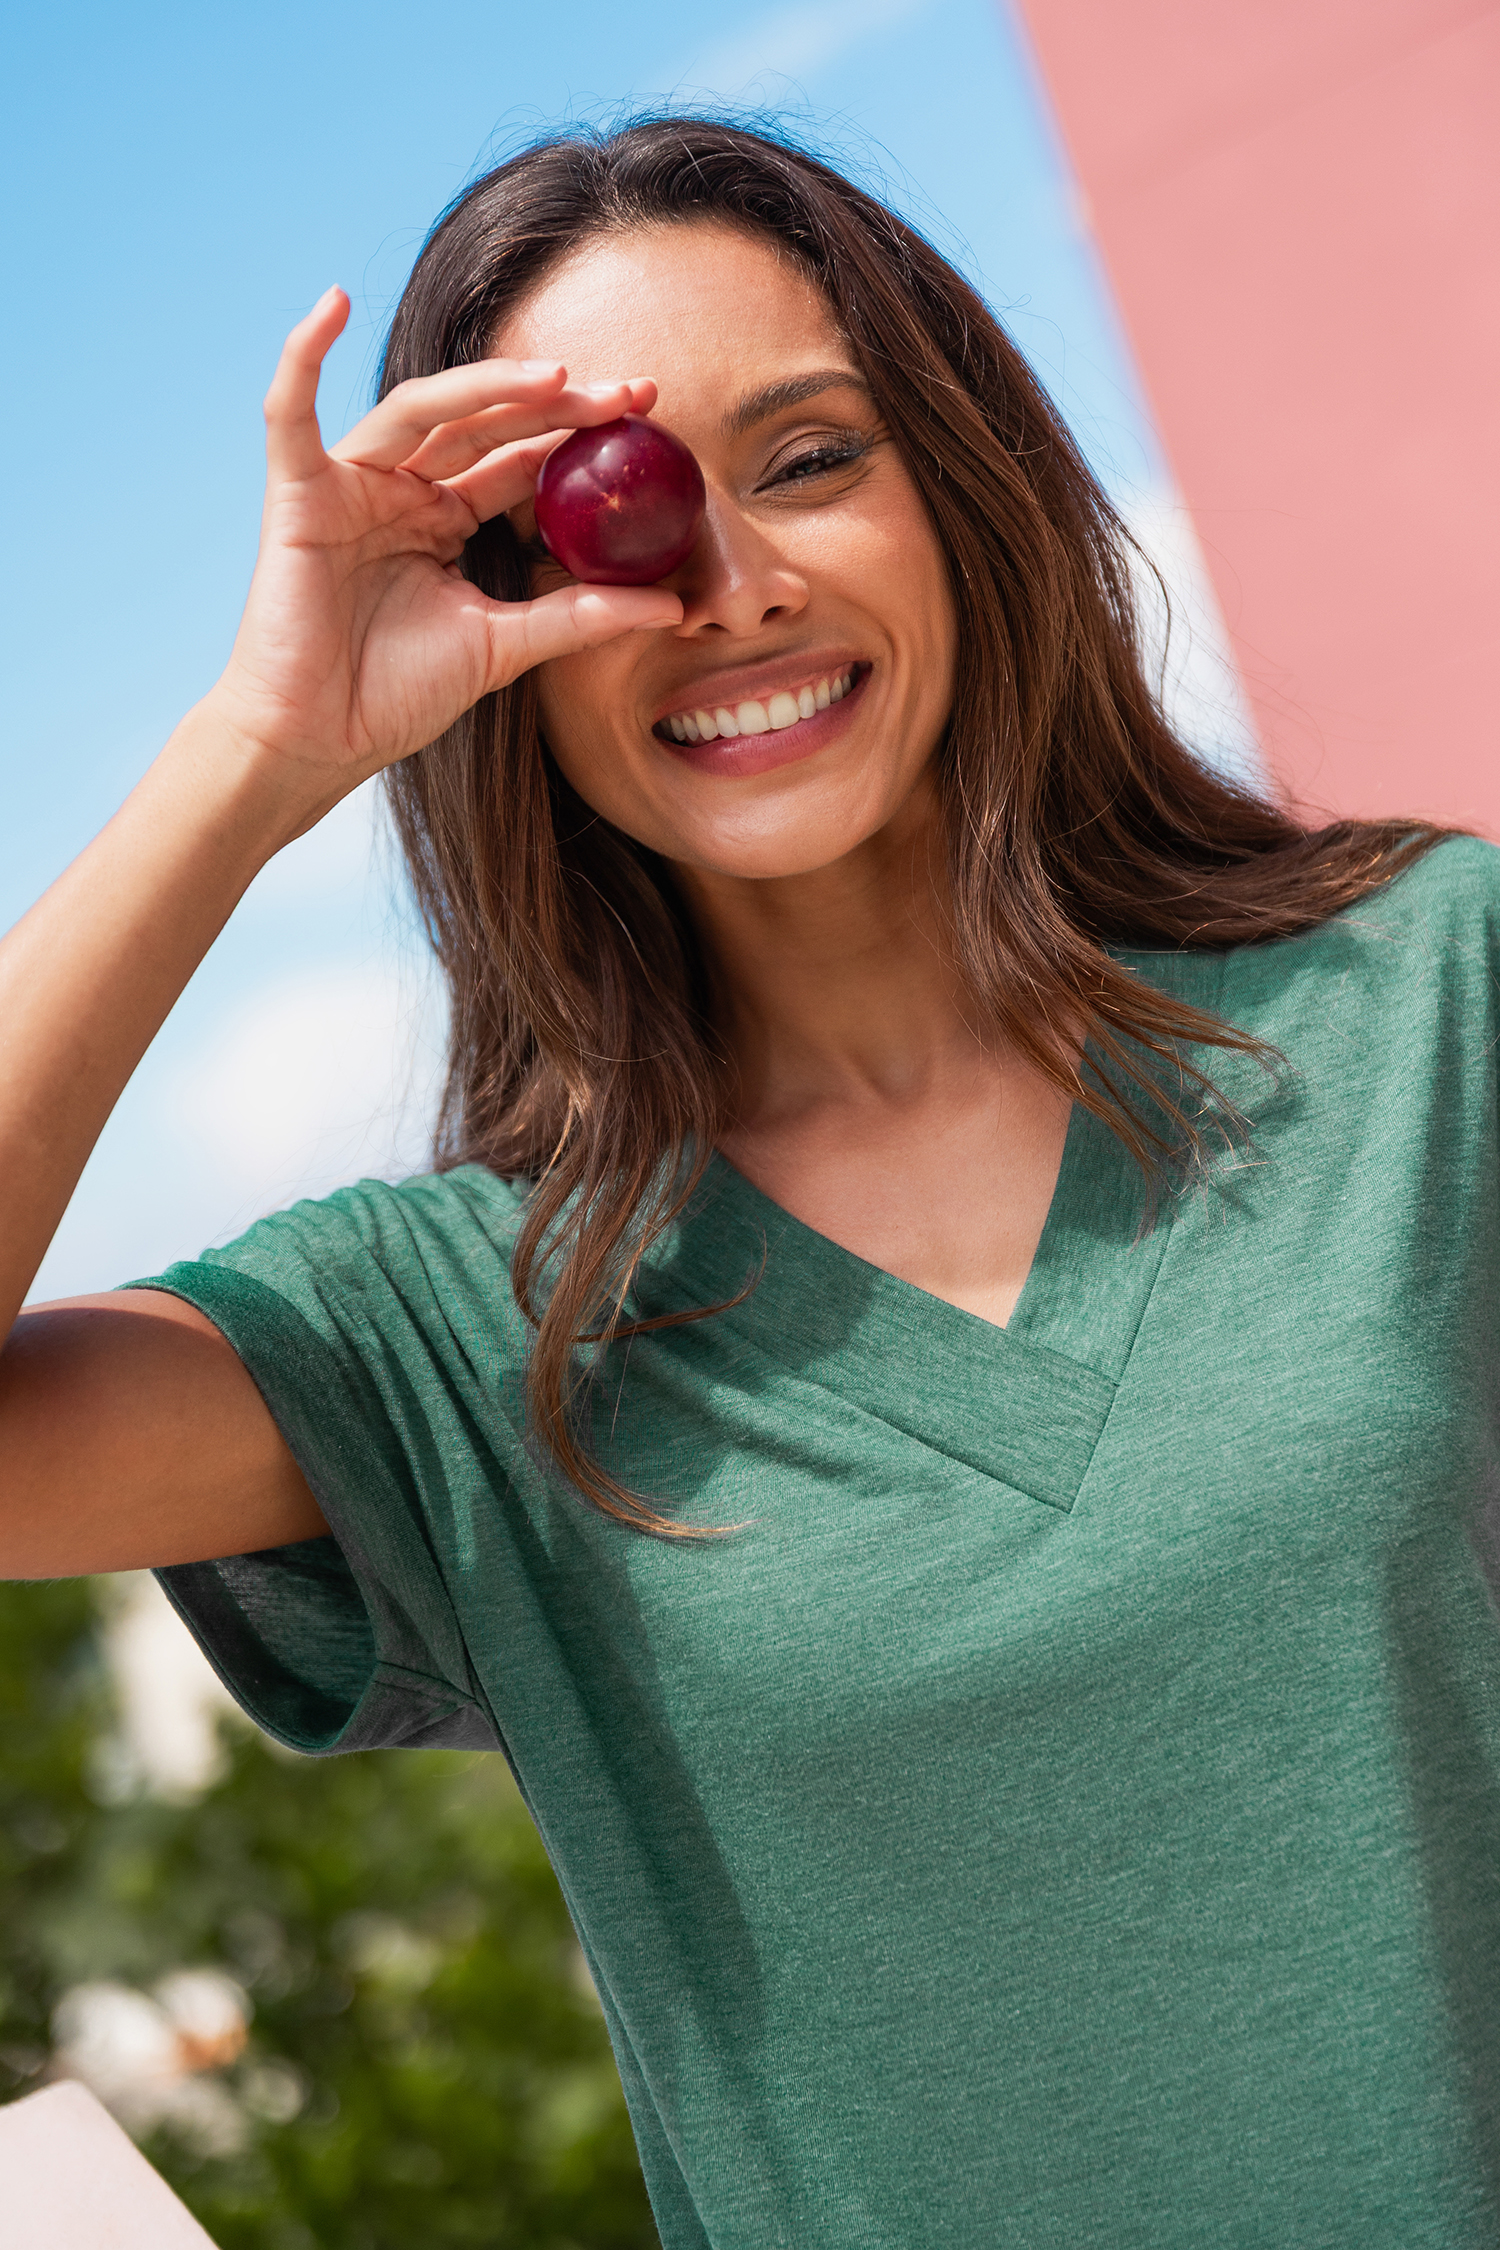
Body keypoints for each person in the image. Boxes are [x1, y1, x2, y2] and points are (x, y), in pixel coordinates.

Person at [2, 114, 1498, 2248]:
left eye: (808, 458)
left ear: (963, 495)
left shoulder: (1430, 1001)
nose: (731, 582)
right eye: (609, 526)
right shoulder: (458, 1335)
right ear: (498, 617)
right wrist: (259, 747)